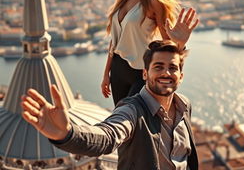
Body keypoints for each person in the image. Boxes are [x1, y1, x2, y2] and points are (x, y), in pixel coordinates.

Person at [22, 40, 198, 170]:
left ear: (181, 76)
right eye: (158, 67)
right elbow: (107, 136)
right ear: (145, 73)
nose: (166, 73)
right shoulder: (132, 111)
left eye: (173, 68)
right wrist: (67, 134)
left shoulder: (184, 105)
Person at [101, 0, 199, 105]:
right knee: (120, 117)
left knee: (134, 115)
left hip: (141, 72)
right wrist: (106, 74)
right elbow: (115, 40)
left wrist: (180, 43)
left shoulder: (154, 2)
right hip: (118, 69)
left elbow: (168, 44)